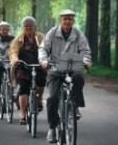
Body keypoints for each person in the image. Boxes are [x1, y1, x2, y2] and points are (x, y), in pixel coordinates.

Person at [38, 9, 92, 143]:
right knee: (52, 99)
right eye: (65, 19)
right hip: (54, 69)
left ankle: (74, 105)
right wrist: (44, 61)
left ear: (73, 21)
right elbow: (43, 49)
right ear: (60, 20)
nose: (67, 21)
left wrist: (86, 61)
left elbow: (85, 50)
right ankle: (52, 128)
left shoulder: (78, 34)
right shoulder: (52, 33)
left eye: (70, 19)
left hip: (72, 66)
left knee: (79, 77)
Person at [9, 16, 46, 125]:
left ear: (35, 27)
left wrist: (46, 61)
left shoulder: (41, 37)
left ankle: (39, 100)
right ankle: (22, 114)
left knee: (41, 81)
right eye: (26, 26)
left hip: (38, 64)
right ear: (23, 27)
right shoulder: (18, 39)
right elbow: (13, 51)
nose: (28, 27)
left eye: (30, 25)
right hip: (23, 66)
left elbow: (47, 49)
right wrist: (15, 60)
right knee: (23, 88)